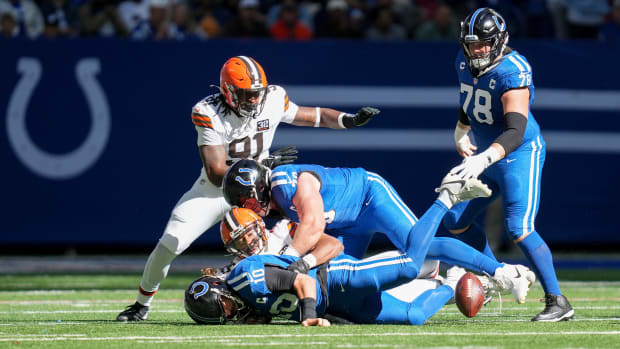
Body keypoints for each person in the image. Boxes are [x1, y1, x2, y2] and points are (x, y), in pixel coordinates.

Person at [116, 55, 381, 321]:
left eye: (257, 94)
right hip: (215, 192)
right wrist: (264, 162)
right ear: (228, 92)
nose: (255, 100)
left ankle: (332, 295)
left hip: (260, 193)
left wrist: (348, 120)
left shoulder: (274, 98)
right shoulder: (208, 112)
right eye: (247, 95)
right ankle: (141, 304)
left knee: (313, 230)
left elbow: (315, 116)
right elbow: (216, 171)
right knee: (170, 242)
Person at [222, 159, 536, 304]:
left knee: (422, 247)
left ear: (256, 186)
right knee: (345, 287)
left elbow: (313, 224)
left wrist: (291, 260)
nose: (249, 206)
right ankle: (438, 289)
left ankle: (504, 272)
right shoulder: (274, 201)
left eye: (247, 199)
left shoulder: (286, 182)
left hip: (370, 196)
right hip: (347, 223)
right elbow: (318, 237)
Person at [443, 7, 573, 322]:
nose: (478, 50)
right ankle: (496, 276)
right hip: (484, 154)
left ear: (499, 41)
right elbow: (470, 97)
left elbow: (515, 131)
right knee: (454, 220)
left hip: (518, 153)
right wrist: (462, 128)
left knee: (519, 227)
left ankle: (558, 300)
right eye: (473, 44)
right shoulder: (464, 61)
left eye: (484, 43)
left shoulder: (512, 70)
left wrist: (484, 158)